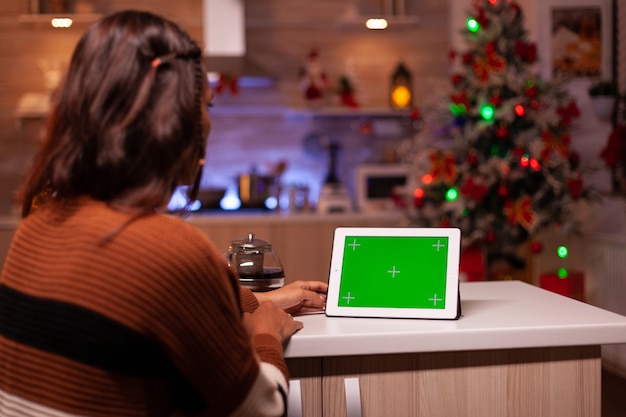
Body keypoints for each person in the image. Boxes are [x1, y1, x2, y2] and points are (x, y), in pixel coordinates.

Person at [0, 10, 327, 417]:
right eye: (206, 105)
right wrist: (266, 335)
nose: (210, 122)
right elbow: (261, 409)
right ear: (175, 123)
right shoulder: (168, 248)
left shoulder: (39, 227)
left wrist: (260, 301)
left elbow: (148, 300)